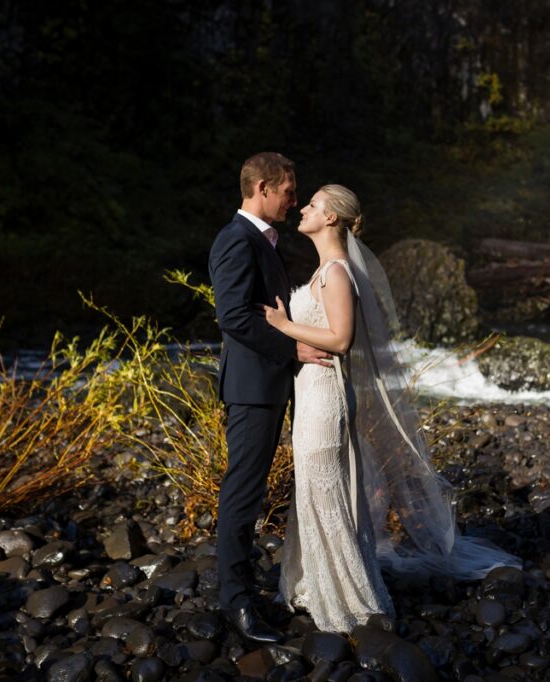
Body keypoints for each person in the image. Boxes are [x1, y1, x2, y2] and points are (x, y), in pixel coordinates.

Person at [264, 185, 520, 633]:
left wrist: (285, 326)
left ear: (331, 218)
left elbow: (341, 339)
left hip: (325, 399)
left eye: (313, 205)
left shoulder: (337, 273)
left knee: (327, 494)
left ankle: (350, 599)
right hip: (311, 397)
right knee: (316, 492)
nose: (302, 208)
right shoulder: (325, 269)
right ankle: (318, 584)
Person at [207, 153, 332, 644]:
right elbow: (233, 316)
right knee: (242, 492)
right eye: (287, 191)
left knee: (250, 490)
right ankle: (235, 602)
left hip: (266, 386)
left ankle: (242, 590)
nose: (293, 201)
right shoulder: (236, 239)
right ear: (262, 188)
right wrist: (293, 349)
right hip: (251, 389)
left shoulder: (260, 239)